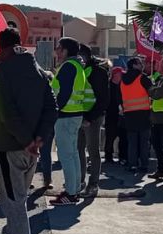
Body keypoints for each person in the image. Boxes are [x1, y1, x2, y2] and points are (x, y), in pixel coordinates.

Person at [0, 28, 57, 234]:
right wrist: (39, 139)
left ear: (1, 46)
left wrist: (26, 139)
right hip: (32, 147)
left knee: (13, 200)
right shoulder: (37, 70)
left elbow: (6, 112)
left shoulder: (0, 73)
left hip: (11, 145)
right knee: (17, 196)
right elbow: (51, 107)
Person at [50, 37, 87, 205]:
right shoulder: (78, 67)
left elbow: (63, 94)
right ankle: (75, 190)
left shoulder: (68, 67)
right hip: (75, 115)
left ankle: (71, 193)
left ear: (65, 50)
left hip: (65, 116)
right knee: (73, 155)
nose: (56, 51)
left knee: (66, 156)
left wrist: (54, 111)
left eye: (58, 48)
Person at [80, 51, 109, 196]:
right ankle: (79, 181)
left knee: (93, 151)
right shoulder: (79, 70)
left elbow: (103, 99)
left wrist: (89, 118)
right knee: (78, 150)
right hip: (79, 116)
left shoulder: (98, 72)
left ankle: (93, 183)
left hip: (93, 117)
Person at [119, 57, 153, 175]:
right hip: (143, 114)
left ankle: (132, 164)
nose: (142, 64)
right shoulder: (142, 78)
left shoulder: (123, 80)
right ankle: (144, 165)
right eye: (139, 63)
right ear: (134, 65)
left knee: (132, 142)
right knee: (144, 142)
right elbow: (152, 92)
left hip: (129, 114)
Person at [104, 66, 125, 164]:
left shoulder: (122, 85)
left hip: (121, 114)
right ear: (115, 75)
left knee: (122, 136)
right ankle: (108, 155)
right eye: (120, 73)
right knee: (110, 136)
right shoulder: (108, 86)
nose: (122, 75)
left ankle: (122, 156)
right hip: (111, 114)